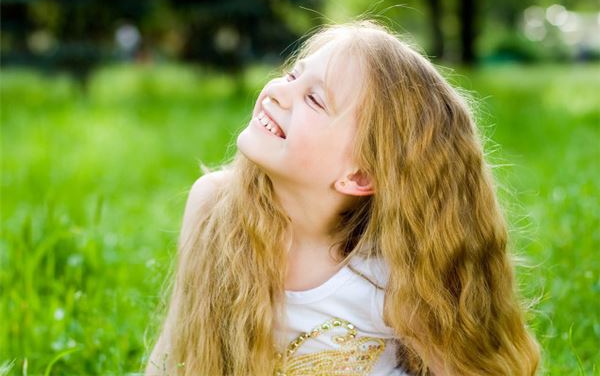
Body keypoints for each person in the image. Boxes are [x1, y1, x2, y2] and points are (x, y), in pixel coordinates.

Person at [145, 19, 540, 376]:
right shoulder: (214, 205)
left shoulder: (391, 269)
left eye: (314, 99)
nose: (278, 91)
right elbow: (175, 349)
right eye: (292, 74)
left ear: (359, 175)